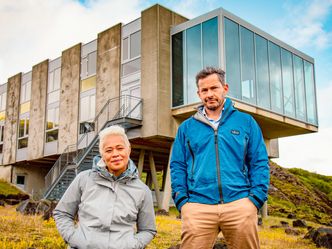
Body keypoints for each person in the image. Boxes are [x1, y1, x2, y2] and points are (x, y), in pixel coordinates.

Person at [170, 67, 270, 249]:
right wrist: (183, 202)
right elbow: (178, 165)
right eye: (204, 90)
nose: (209, 94)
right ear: (198, 93)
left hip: (240, 204)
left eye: (214, 88)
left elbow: (259, 162)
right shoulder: (186, 128)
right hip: (198, 206)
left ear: (225, 88)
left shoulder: (246, 122)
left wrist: (255, 199)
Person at [53, 125, 156, 249]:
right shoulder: (84, 179)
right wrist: (75, 239)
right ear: (102, 154)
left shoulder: (143, 191)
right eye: (109, 150)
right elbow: (62, 213)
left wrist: (132, 245)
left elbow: (148, 230)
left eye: (120, 148)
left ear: (128, 150)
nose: (115, 154)